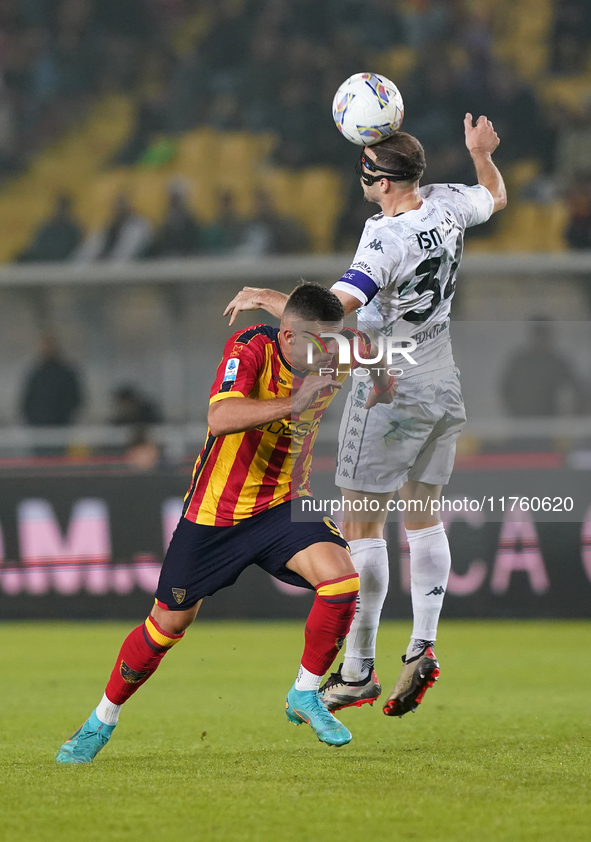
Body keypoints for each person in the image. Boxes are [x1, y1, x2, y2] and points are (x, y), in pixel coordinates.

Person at [224, 113, 506, 718]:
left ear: (381, 181)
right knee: (424, 515)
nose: (362, 178)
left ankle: (356, 669)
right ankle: (423, 643)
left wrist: (269, 298)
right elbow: (497, 195)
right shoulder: (450, 202)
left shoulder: (384, 238)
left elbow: (330, 315)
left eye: (365, 171)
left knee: (362, 525)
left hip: (390, 381)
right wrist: (482, 153)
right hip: (441, 376)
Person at [55, 283, 397, 763]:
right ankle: (101, 720)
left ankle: (305, 692)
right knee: (165, 627)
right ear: (286, 337)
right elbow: (219, 417)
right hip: (216, 514)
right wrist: (292, 404)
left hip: (283, 504)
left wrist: (382, 387)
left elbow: (376, 350)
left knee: (342, 582)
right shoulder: (252, 346)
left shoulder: (334, 346)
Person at [21, 334, 83, 426]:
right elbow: (27, 401)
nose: (46, 348)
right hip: (37, 427)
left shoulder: (67, 373)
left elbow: (75, 399)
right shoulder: (36, 374)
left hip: (62, 426)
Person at [16, 193, 82, 263]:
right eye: (57, 207)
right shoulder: (47, 227)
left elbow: (74, 251)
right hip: (42, 257)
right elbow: (37, 245)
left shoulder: (72, 230)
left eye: (62, 207)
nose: (59, 210)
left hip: (59, 260)